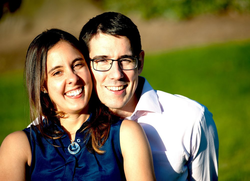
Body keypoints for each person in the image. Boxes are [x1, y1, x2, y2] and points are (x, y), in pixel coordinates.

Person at [79, 12, 219, 181]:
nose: (116, 74)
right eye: (102, 61)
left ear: (140, 62)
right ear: (85, 66)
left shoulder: (192, 120)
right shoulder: (61, 126)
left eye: (125, 60)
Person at [0, 29, 156, 181]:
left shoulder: (126, 134)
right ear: (42, 85)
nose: (73, 78)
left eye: (77, 65)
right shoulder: (18, 146)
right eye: (57, 72)